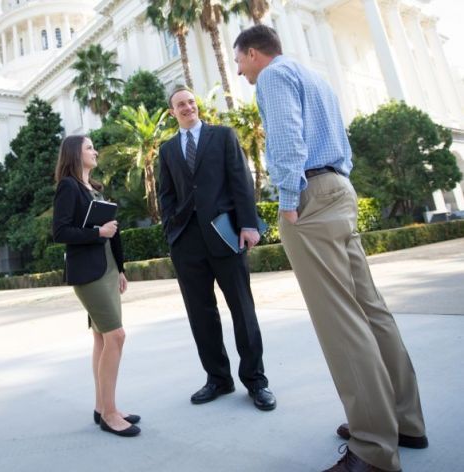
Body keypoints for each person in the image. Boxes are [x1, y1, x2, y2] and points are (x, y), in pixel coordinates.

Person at [233, 25, 427, 471]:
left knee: (341, 321)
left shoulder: (274, 77)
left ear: (254, 52)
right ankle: (404, 422)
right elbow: (340, 142)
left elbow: (287, 140)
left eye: (239, 60)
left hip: (309, 199)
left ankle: (373, 446)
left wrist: (286, 202)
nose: (239, 69)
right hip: (339, 187)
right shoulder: (314, 77)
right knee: (371, 309)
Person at [158, 86, 276, 411]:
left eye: (191, 102)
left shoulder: (223, 136)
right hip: (187, 244)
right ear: (172, 112)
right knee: (201, 315)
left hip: (227, 236)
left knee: (242, 310)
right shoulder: (167, 150)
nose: (187, 107)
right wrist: (172, 231)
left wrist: (249, 225)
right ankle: (218, 379)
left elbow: (240, 180)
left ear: (197, 106)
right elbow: (165, 195)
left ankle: (256, 382)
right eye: (180, 104)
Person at [53, 135, 140, 437]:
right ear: (75, 154)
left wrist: (121, 270)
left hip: (108, 269)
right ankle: (111, 414)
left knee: (103, 339)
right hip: (88, 273)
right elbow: (60, 231)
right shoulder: (68, 186)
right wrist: (97, 232)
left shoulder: (96, 189)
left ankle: (102, 407)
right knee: (116, 336)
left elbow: (113, 233)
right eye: (89, 147)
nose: (95, 151)